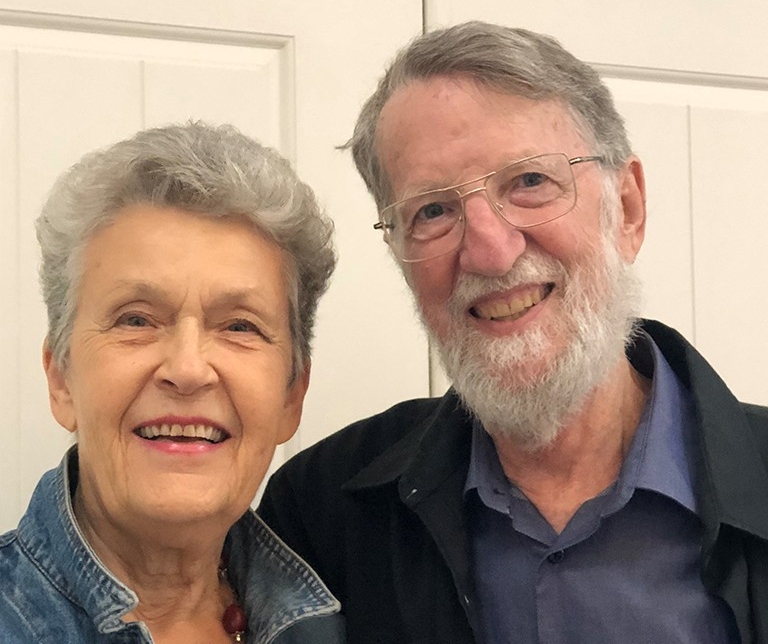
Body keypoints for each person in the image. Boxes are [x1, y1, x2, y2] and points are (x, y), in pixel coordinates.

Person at [258, 21, 768, 644]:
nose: (491, 252)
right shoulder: (320, 515)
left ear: (627, 209)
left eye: (530, 182)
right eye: (433, 211)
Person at [0, 122, 344, 643]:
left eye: (238, 326)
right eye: (135, 320)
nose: (187, 370)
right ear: (61, 378)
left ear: (291, 396)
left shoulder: (342, 618)